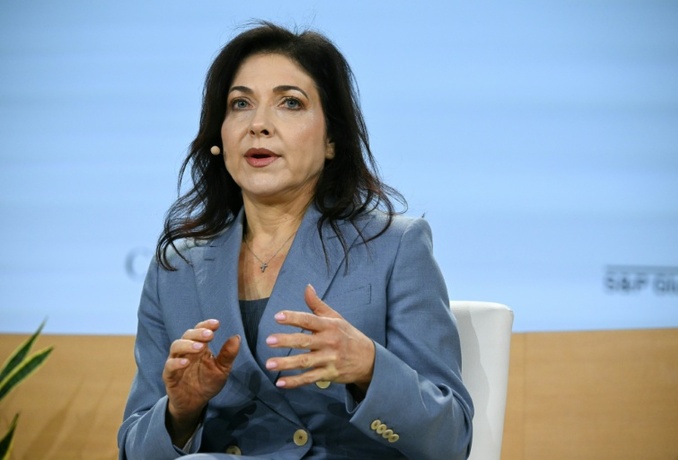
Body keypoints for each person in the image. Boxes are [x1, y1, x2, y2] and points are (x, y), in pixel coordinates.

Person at [118, 21, 473, 460]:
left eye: (290, 103)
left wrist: (368, 367)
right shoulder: (176, 269)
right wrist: (181, 413)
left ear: (331, 140)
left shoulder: (394, 246)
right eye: (240, 103)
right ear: (218, 137)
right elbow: (133, 449)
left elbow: (451, 440)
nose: (258, 124)